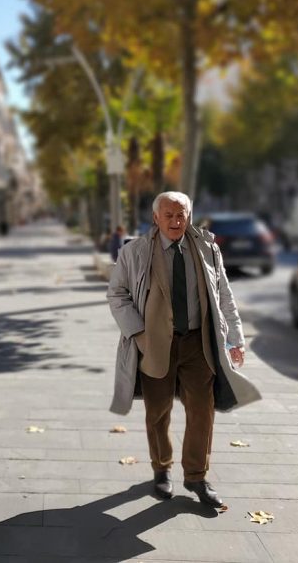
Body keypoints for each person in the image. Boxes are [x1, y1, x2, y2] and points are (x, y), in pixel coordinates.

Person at [106, 191, 260, 508]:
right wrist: (138, 332)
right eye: (170, 216)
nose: (177, 221)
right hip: (154, 342)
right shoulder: (134, 252)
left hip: (197, 342)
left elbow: (224, 296)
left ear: (189, 215)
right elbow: (117, 294)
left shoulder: (207, 248)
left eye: (182, 215)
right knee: (158, 411)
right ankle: (162, 469)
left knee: (202, 410)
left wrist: (235, 338)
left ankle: (196, 476)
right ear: (156, 218)